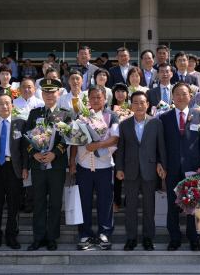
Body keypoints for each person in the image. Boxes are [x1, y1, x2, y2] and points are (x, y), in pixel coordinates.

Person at [160, 82, 200, 252]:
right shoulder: (164, 117)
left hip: (193, 167)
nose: (181, 97)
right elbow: (161, 144)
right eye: (177, 94)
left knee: (193, 204)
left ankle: (194, 238)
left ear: (190, 96)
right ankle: (174, 238)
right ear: (172, 97)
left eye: (184, 94)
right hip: (172, 168)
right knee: (173, 205)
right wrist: (161, 164)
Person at [69, 85, 120, 251]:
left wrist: (97, 145)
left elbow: (115, 138)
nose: (96, 100)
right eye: (93, 97)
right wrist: (72, 162)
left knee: (106, 201)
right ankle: (85, 234)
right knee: (84, 201)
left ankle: (104, 233)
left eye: (99, 97)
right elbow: (74, 141)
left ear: (105, 98)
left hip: (104, 166)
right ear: (88, 99)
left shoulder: (111, 116)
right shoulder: (81, 116)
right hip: (83, 165)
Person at [24, 78, 73, 251]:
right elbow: (25, 137)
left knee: (55, 203)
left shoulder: (66, 114)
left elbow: (68, 139)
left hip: (57, 166)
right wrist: (34, 153)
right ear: (42, 94)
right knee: (38, 202)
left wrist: (55, 153)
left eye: (52, 92)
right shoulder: (34, 113)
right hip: (38, 166)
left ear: (58, 94)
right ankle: (38, 238)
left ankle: (52, 237)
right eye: (46, 92)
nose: (49, 95)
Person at [116, 91, 167, 251]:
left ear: (147, 105)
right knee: (130, 206)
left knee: (149, 206)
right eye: (136, 102)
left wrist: (162, 164)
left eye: (142, 102)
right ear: (131, 105)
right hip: (130, 169)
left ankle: (147, 238)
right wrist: (119, 168)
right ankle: (131, 238)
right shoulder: (124, 124)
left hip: (150, 169)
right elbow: (121, 148)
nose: (139, 106)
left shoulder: (156, 123)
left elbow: (161, 147)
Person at [0, 93, 29, 251]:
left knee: (14, 205)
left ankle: (11, 237)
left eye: (7, 103)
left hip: (14, 168)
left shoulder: (20, 124)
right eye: (0, 103)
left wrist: (24, 168)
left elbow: (24, 149)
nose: (4, 106)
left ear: (12, 106)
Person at [110, 82, 129, 212]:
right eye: (118, 91)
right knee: (116, 176)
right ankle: (115, 201)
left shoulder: (131, 108)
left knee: (129, 175)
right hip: (114, 148)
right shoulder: (110, 110)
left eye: (123, 91)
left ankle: (129, 200)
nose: (120, 94)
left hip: (129, 147)